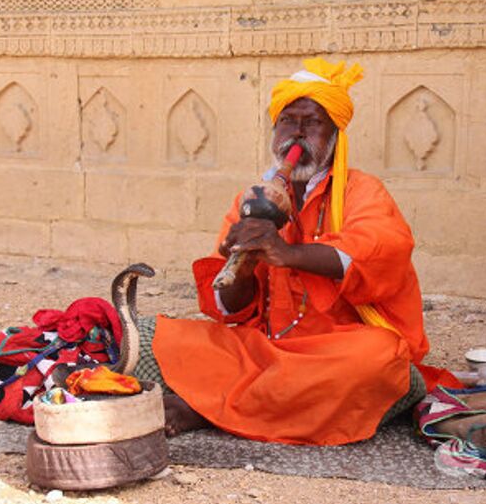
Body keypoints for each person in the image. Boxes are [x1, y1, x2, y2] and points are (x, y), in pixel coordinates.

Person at [147, 57, 459, 446]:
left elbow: (377, 251)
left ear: (334, 136)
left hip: (336, 352)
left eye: (311, 123)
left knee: (379, 361)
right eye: (287, 121)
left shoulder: (362, 192)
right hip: (267, 350)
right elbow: (231, 308)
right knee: (155, 336)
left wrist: (286, 253)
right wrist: (240, 266)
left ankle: (206, 409)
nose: (296, 134)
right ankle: (266, 398)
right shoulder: (254, 199)